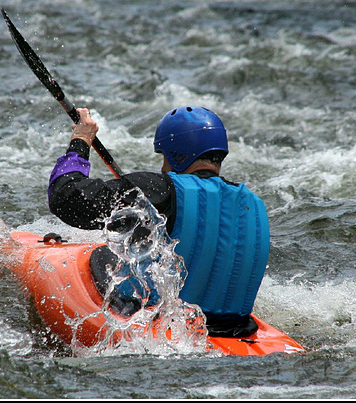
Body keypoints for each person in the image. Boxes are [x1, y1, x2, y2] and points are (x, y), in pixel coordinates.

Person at [48, 106, 270, 337]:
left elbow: (67, 197)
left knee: (104, 256)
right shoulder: (254, 204)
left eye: (165, 157)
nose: (163, 167)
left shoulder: (157, 188)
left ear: (177, 155)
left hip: (169, 327)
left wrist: (81, 140)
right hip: (234, 329)